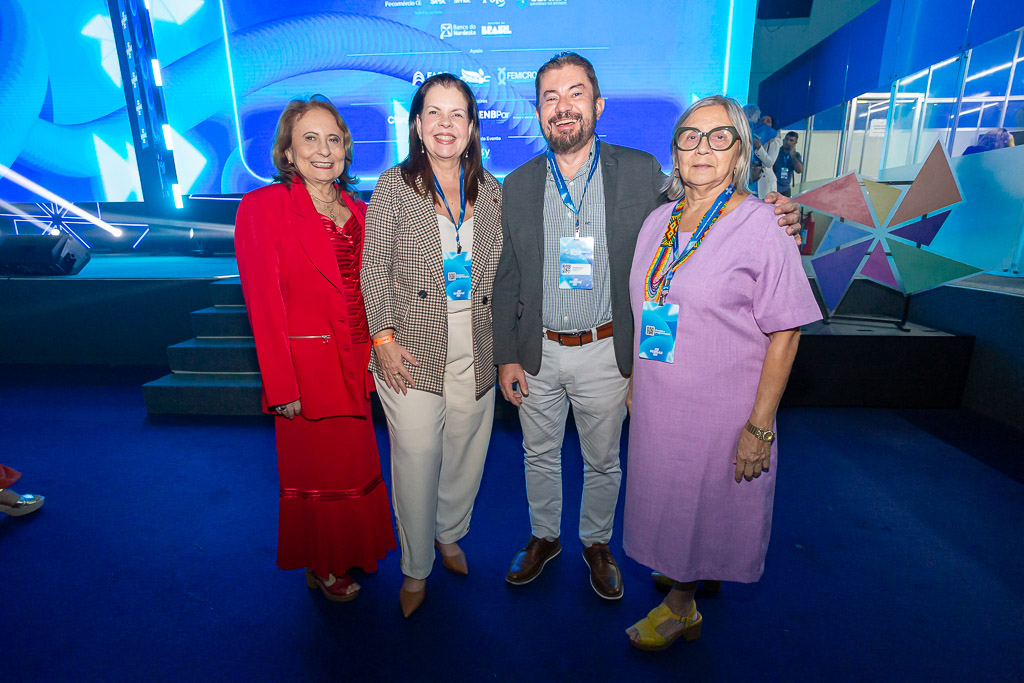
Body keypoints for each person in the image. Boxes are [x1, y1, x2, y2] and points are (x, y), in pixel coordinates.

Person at [492, 52, 802, 602]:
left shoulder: (640, 172)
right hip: (538, 350)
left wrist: (785, 212)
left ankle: (596, 543)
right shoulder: (514, 184)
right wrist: (506, 355)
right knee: (537, 453)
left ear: (598, 105)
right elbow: (507, 274)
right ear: (538, 112)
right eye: (550, 98)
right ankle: (544, 536)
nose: (563, 107)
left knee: (604, 459)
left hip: (607, 348)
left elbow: (712, 203)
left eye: (576, 94)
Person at [623, 95, 822, 650]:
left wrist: (760, 426)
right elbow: (650, 306)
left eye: (718, 137)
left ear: (740, 152)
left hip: (722, 405)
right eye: (690, 136)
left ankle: (681, 606)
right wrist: (637, 380)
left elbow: (787, 331)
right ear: (675, 152)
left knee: (703, 498)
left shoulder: (763, 225)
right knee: (672, 495)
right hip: (661, 396)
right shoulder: (658, 222)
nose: (702, 148)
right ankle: (683, 569)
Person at [234, 95, 395, 604]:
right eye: (310, 139)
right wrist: (281, 385)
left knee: (355, 467)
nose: (324, 150)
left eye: (333, 139)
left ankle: (352, 548)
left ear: (346, 149)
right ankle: (322, 565)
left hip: (357, 363)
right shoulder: (263, 208)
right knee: (318, 475)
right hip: (306, 372)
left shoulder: (361, 210)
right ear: (288, 152)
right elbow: (263, 305)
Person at [361, 73, 504, 618]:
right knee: (418, 458)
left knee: (466, 453)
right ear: (418, 126)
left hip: (476, 345)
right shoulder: (394, 186)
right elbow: (374, 268)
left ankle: (449, 533)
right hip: (410, 350)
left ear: (471, 127)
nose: (446, 124)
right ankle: (416, 566)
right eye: (434, 113)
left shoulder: (491, 191)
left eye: (457, 114)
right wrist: (382, 337)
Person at [774, 131, 804, 197]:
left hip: (785, 189)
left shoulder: (796, 155)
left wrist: (793, 155)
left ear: (795, 143)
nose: (788, 142)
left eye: (791, 140)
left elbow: (799, 170)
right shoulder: (776, 152)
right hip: (773, 187)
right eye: (786, 139)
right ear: (783, 140)